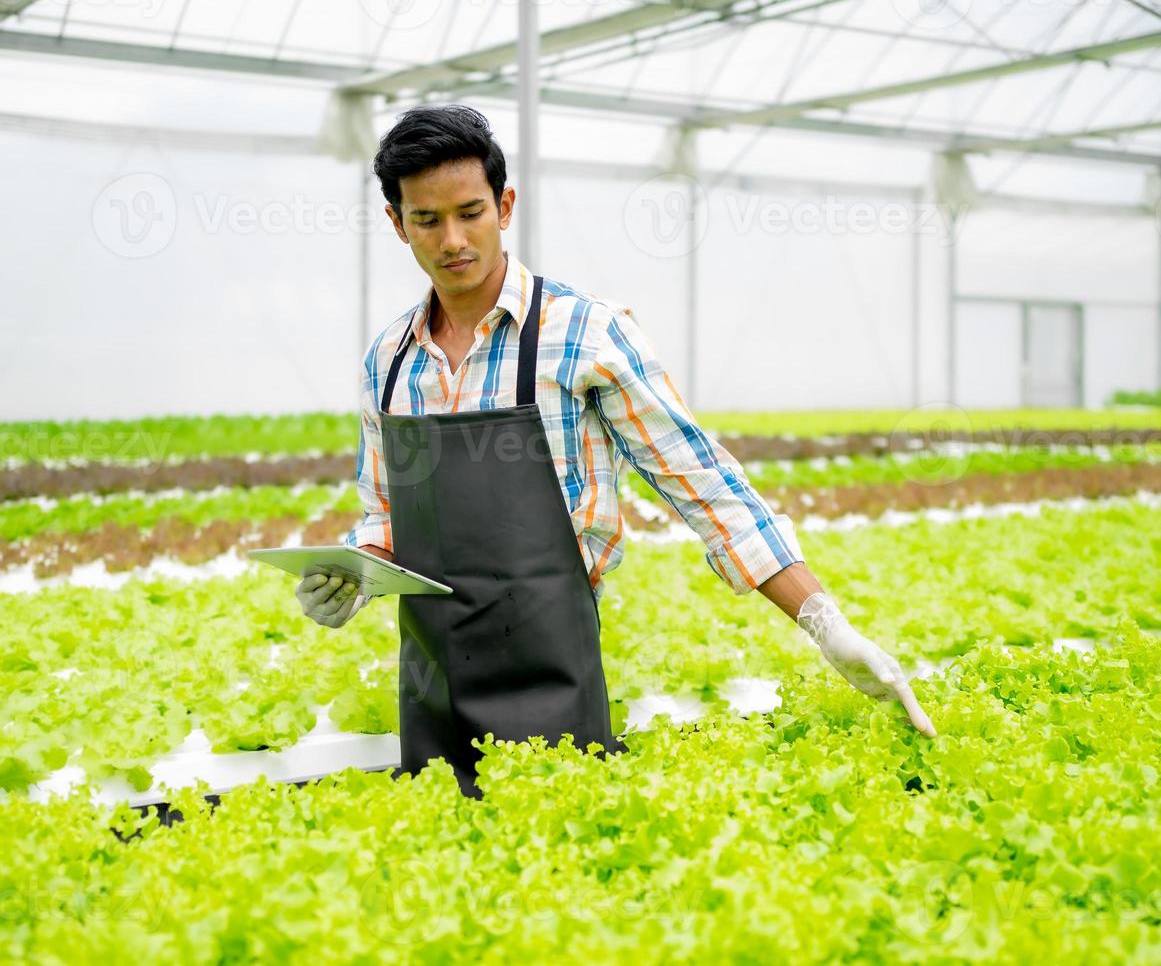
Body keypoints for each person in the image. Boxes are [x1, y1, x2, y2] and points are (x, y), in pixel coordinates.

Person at [296, 104, 936, 798]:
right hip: (429, 686)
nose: (452, 239)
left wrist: (824, 622)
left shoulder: (582, 334)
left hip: (552, 675)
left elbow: (702, 483)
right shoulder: (388, 361)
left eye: (469, 212)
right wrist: (354, 574)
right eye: (426, 220)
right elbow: (387, 513)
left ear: (504, 205)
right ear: (397, 224)